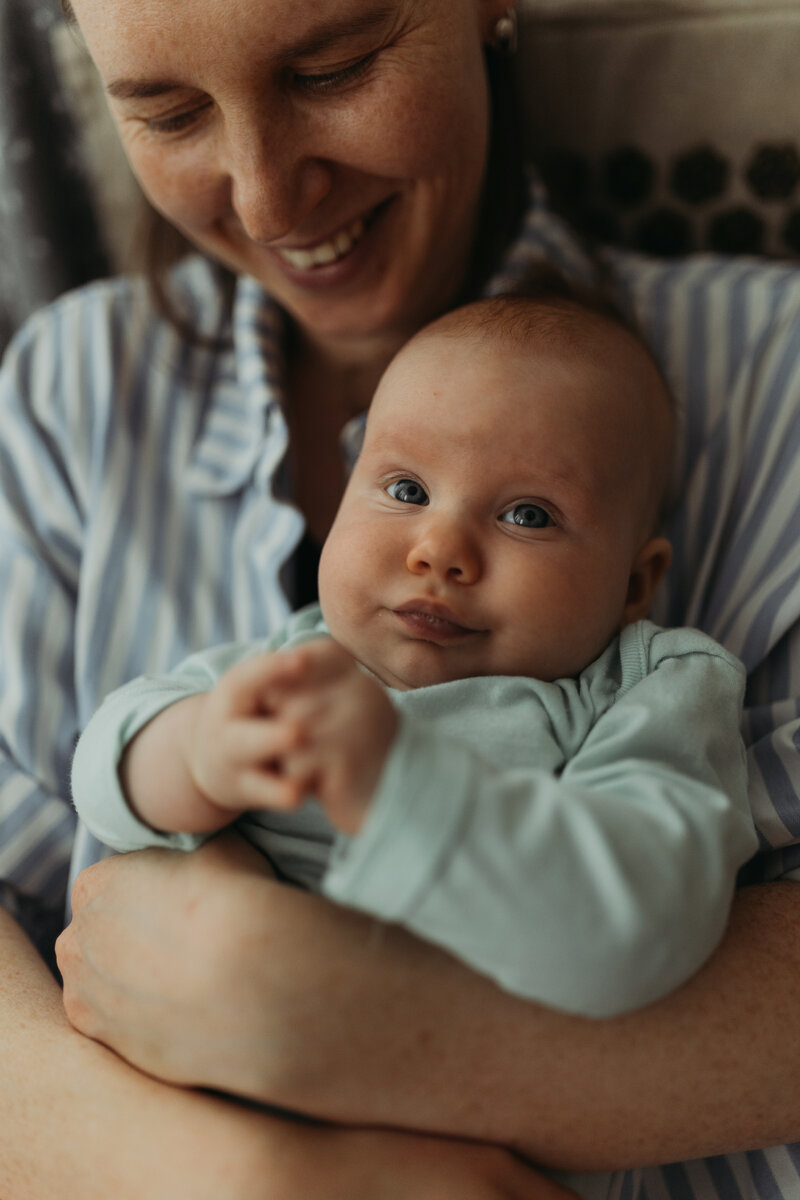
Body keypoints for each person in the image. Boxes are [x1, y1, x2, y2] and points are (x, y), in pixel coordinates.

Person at [0, 0, 797, 1197]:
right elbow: (106, 764)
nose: (268, 203)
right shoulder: (81, 402)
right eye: (165, 112)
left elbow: (647, 885)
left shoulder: (758, 399)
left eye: (333, 68)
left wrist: (349, 1029)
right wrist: (230, 1166)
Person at [71, 290, 755, 1048]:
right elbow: (103, 770)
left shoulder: (645, 692)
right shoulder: (296, 662)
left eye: (528, 514)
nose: (439, 549)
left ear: (634, 584)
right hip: (187, 1110)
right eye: (406, 491)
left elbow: (644, 924)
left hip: (460, 1119)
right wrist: (195, 752)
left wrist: (397, 787)